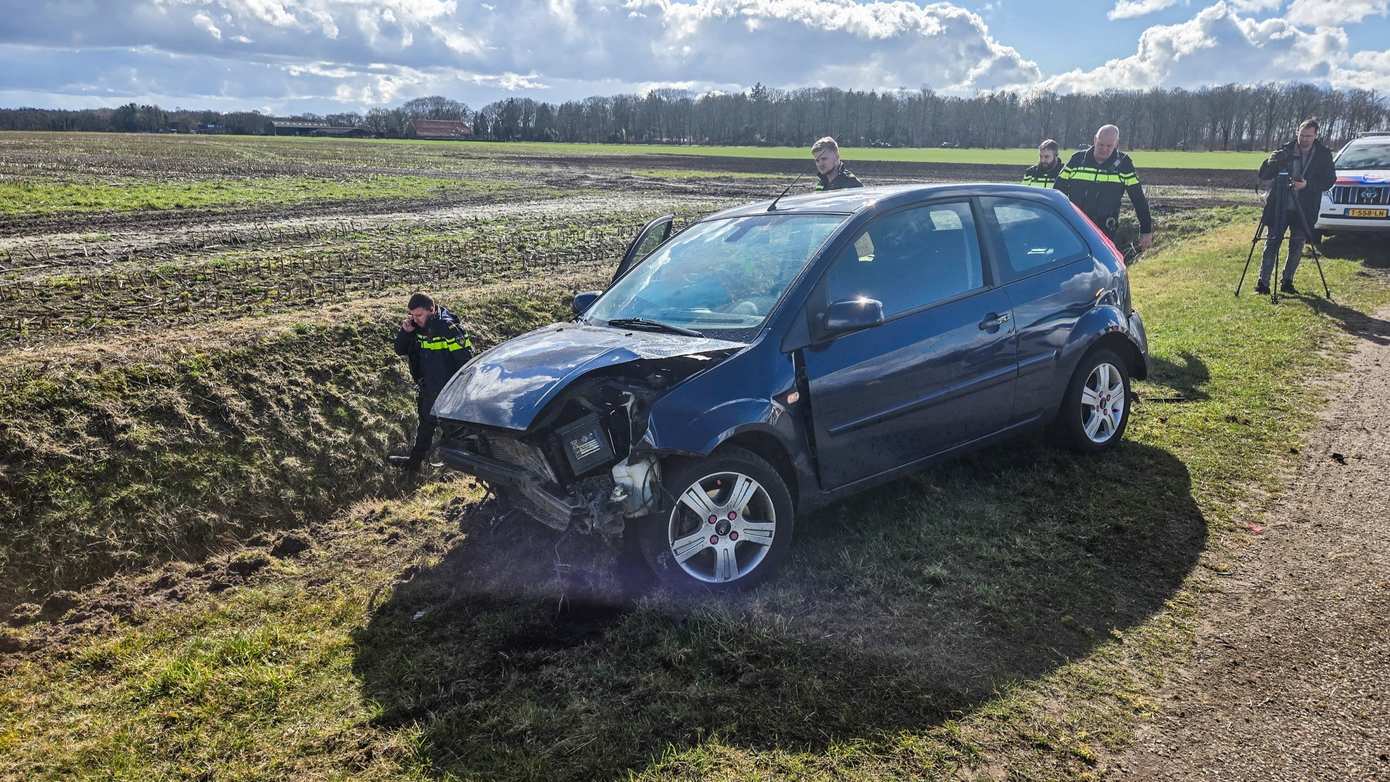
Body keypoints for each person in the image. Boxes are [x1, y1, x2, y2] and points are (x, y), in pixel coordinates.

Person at [390, 292, 473, 471]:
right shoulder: (415, 327)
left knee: (456, 433)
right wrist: (405, 332)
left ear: (432, 309)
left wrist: (460, 390)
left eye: (419, 315)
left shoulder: (448, 328)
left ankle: (459, 470)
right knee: (425, 428)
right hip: (428, 388)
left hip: (449, 391)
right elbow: (400, 350)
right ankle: (413, 464)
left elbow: (466, 361)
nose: (415, 319)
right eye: (411, 315)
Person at [1255, 117, 1336, 295]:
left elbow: (1330, 180)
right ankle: (1263, 283)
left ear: (1316, 135)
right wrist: (1270, 162)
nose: (1304, 139)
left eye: (1309, 135)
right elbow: (1265, 175)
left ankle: (1287, 282)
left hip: (1305, 208)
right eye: (1302, 134)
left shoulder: (1323, 155)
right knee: (1271, 243)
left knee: (1297, 245)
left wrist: (1307, 185)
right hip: (1280, 205)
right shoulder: (1285, 150)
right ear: (1296, 133)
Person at [1056, 124, 1154, 252]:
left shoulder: (1124, 164)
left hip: (1105, 231)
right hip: (1074, 226)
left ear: (1116, 144)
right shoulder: (1077, 160)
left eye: (1109, 146)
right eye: (1101, 145)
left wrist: (1146, 230)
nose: (1104, 149)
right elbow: (1057, 191)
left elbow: (1138, 199)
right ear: (1095, 140)